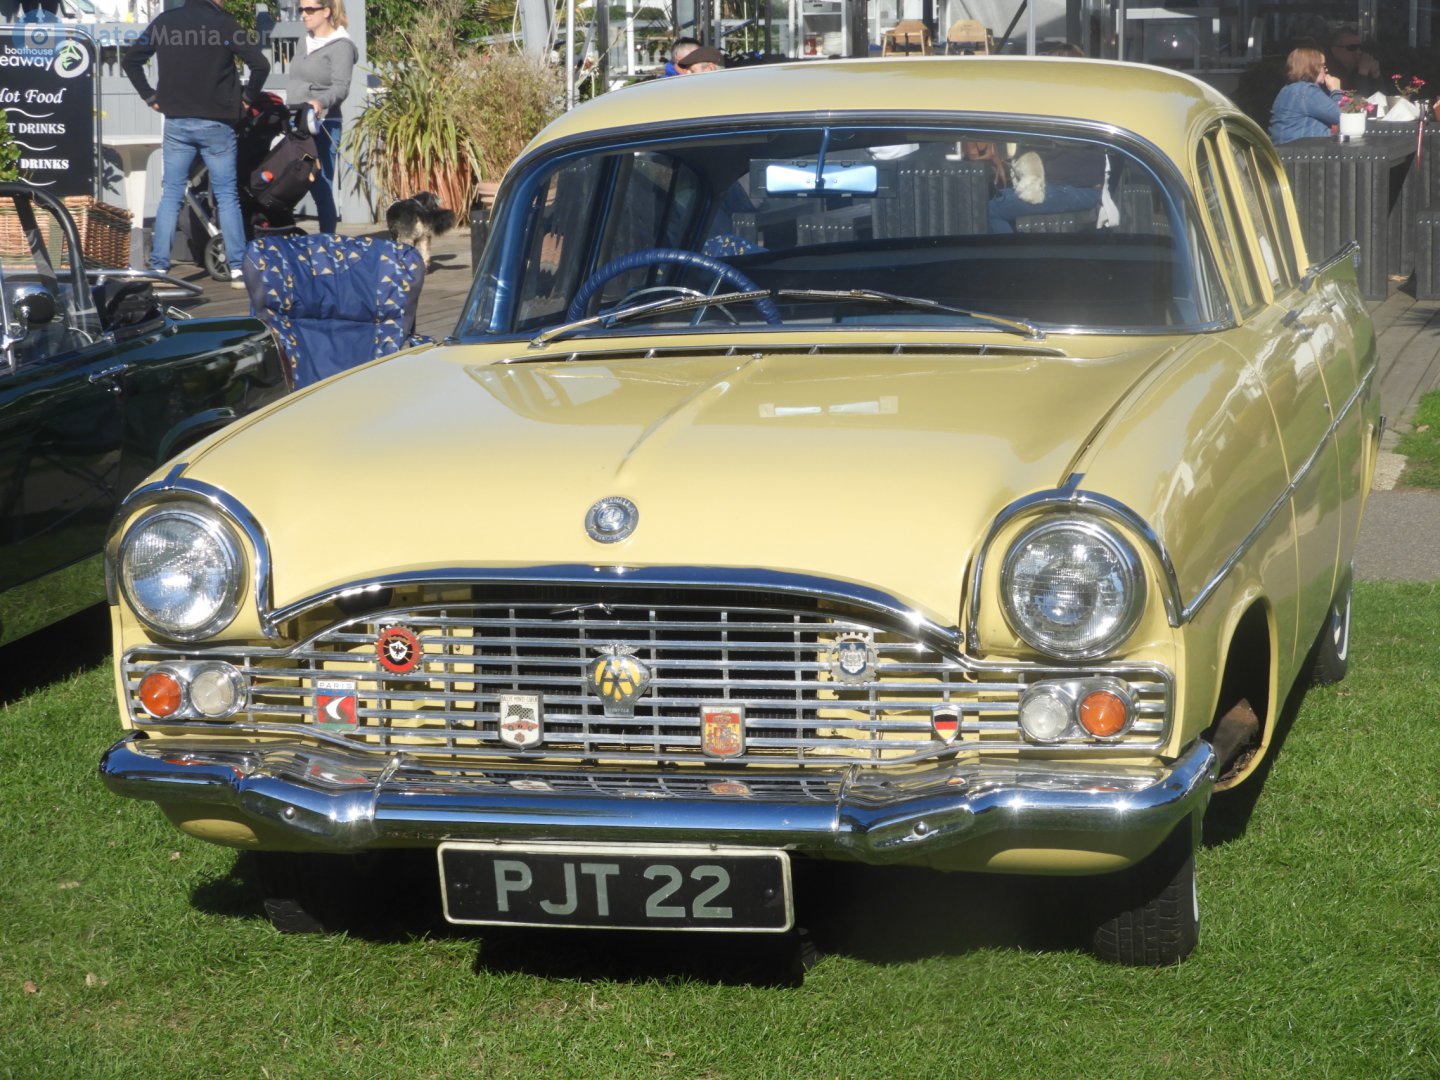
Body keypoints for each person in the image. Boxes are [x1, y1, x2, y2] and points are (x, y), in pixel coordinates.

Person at [122, 0, 270, 288]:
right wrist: (248, 98)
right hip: (217, 123)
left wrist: (150, 96)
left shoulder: (166, 22)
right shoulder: (224, 24)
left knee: (171, 194)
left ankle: (160, 268)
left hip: (177, 121)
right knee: (227, 196)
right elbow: (260, 65)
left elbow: (131, 60)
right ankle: (238, 268)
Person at [287, 0, 358, 235]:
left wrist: (320, 102)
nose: (303, 15)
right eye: (300, 9)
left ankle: (327, 243)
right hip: (296, 120)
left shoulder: (341, 46)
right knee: (290, 179)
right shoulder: (303, 40)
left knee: (321, 183)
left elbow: (341, 87)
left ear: (326, 11)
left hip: (323, 123)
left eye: (309, 9)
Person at [1268, 46, 1341, 145]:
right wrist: (1336, 90)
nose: (1326, 70)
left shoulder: (1287, 89)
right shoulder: (1307, 91)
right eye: (1323, 66)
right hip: (1302, 153)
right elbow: (1340, 115)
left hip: (1286, 151)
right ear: (1313, 67)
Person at [1327, 26, 1384, 96]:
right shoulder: (1328, 73)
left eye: (1360, 47)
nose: (1358, 51)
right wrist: (1363, 73)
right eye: (1352, 48)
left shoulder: (1357, 68)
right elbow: (1356, 103)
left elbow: (1382, 100)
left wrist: (1376, 74)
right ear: (1335, 50)